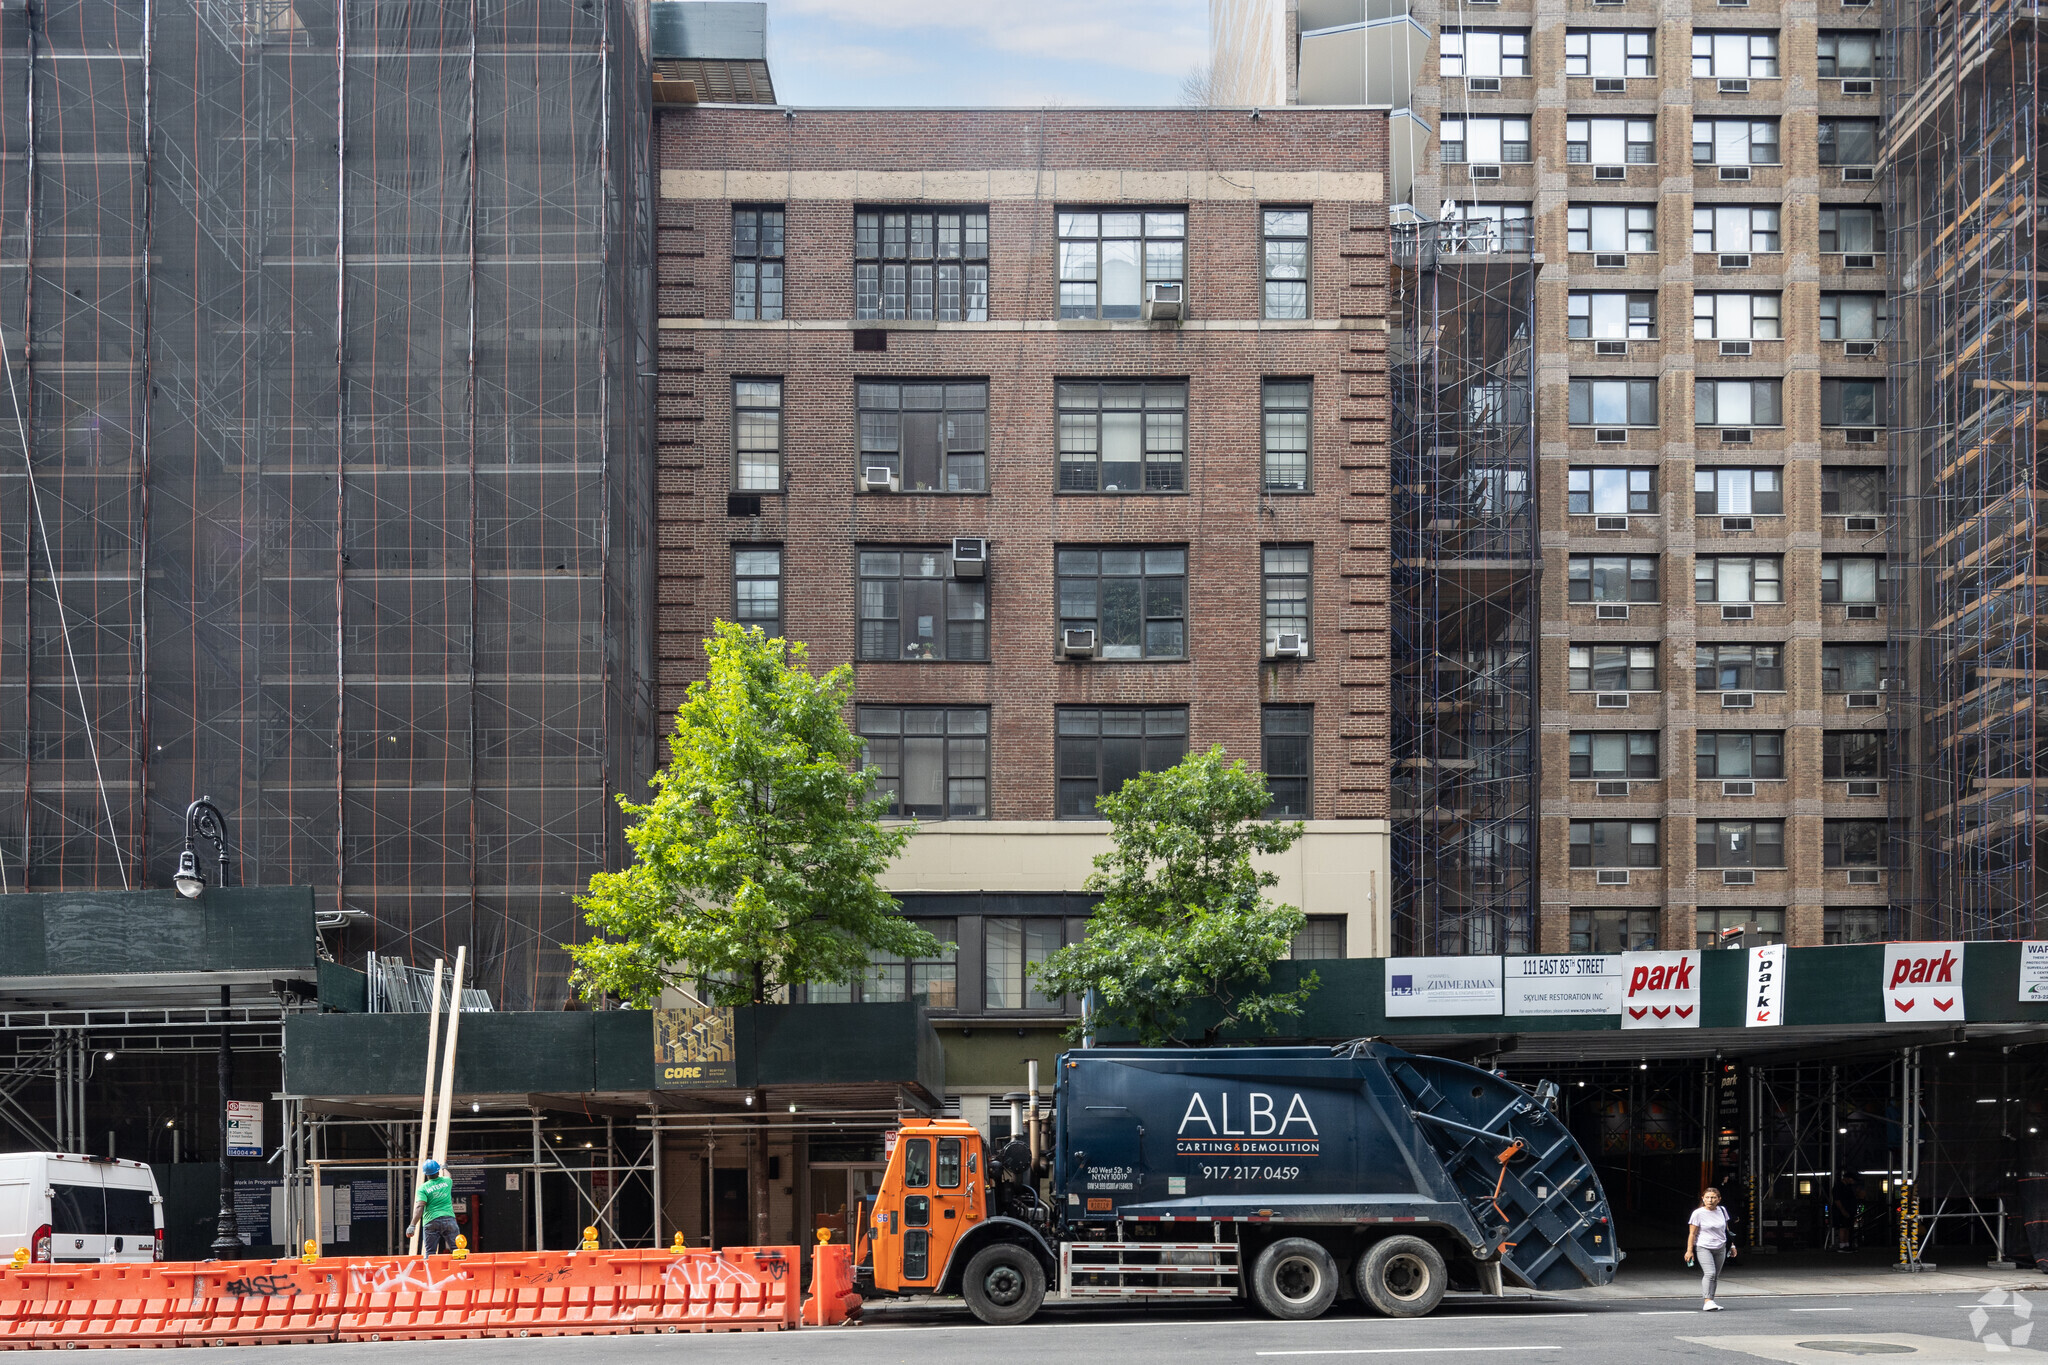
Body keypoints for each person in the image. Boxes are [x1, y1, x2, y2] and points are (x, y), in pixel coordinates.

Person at [1684, 1186, 1737, 1311]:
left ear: (1719, 1199)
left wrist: (1732, 1245)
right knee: (1710, 1273)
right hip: (1704, 1247)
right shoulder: (1698, 1213)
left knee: (1715, 1275)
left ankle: (1711, 1300)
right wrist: (1689, 1250)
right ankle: (1707, 1301)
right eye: (1707, 1197)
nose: (1710, 1200)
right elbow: (1692, 1233)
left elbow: (1726, 1229)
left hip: (1721, 1247)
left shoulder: (1722, 1210)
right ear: (1703, 1198)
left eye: (1713, 1197)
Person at [407, 1159, 460, 1255]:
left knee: (430, 1252)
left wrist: (412, 1225)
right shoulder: (447, 1181)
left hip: (431, 1221)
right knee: (456, 1250)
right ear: (438, 1171)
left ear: (426, 1174)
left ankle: (429, 1269)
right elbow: (449, 1175)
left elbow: (420, 1207)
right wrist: (444, 1168)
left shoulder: (422, 1188)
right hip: (449, 1219)